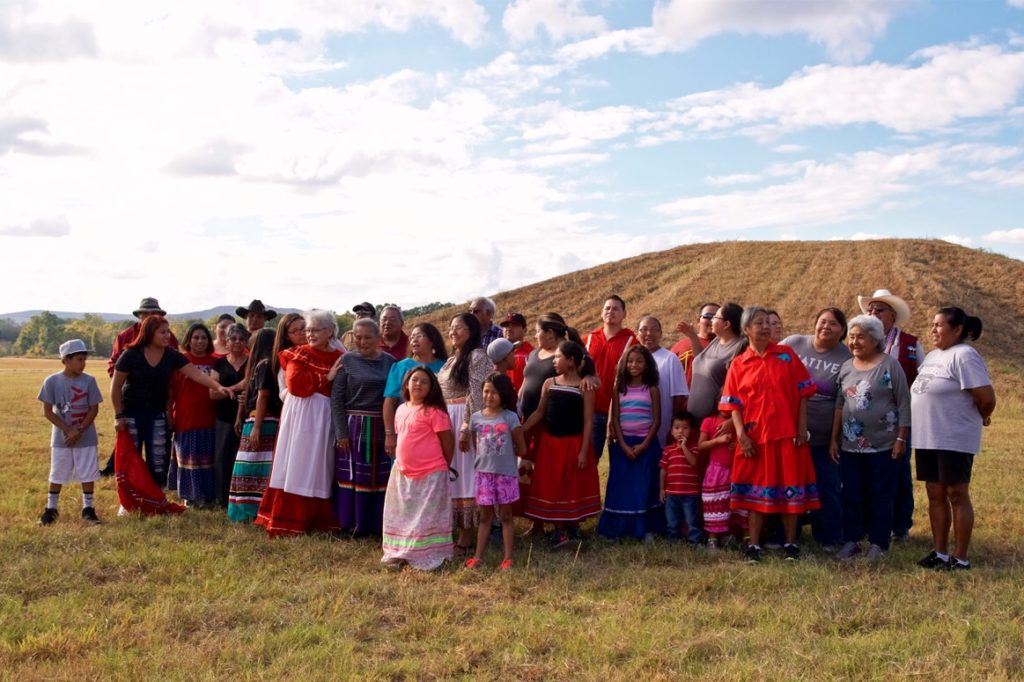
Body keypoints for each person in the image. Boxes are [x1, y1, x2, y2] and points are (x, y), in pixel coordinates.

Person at [720, 306, 819, 563]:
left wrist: (801, 427)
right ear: (746, 330)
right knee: (756, 493)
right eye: (758, 323)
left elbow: (803, 394)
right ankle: (753, 545)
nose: (765, 327)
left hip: (787, 435)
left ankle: (790, 543)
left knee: (790, 490)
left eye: (767, 322)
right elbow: (733, 405)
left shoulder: (786, 356)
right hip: (755, 439)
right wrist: (741, 435)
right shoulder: (739, 364)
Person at [911, 307, 995, 571]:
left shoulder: (965, 356)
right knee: (934, 494)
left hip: (953, 438)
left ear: (957, 329)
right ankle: (940, 553)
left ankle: (960, 558)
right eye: (932, 324)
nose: (933, 329)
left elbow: (986, 397)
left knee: (956, 494)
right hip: (927, 437)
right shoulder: (934, 356)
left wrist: (983, 416)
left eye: (939, 325)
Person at [111, 316, 232, 489]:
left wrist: (219, 387)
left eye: (168, 331)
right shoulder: (130, 355)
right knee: (131, 456)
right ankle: (129, 498)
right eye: (163, 332)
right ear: (150, 333)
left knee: (158, 459)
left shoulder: (172, 356)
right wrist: (118, 415)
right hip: (131, 413)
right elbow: (115, 387)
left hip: (157, 413)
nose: (168, 335)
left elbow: (197, 375)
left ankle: (155, 497)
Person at [255, 310, 343, 536]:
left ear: (330, 331)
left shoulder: (340, 355)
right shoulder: (297, 354)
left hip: (324, 414)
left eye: (315, 329)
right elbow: (297, 386)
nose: (310, 334)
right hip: (301, 415)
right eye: (308, 330)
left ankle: (317, 518)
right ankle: (289, 518)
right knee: (297, 461)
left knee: (319, 463)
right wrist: (327, 378)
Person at [831, 315, 911, 562]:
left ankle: (879, 544)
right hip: (850, 445)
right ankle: (852, 541)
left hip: (883, 445)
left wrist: (901, 439)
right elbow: (840, 404)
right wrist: (834, 439)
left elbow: (904, 403)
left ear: (875, 340)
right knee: (851, 494)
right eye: (852, 337)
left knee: (881, 495)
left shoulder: (890, 365)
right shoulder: (846, 367)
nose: (854, 342)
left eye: (860, 337)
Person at [781, 308, 852, 550]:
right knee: (790, 485)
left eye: (833, 324)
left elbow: (842, 401)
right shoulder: (793, 344)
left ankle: (829, 537)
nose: (826, 327)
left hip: (823, 438)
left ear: (842, 330)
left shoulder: (846, 357)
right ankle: (788, 535)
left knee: (827, 486)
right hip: (790, 434)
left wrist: (835, 438)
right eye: (822, 321)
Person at [522, 340, 602, 548]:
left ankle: (572, 527)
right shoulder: (550, 383)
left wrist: (584, 451)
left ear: (571, 361)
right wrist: (522, 430)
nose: (554, 361)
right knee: (553, 484)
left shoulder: (585, 386)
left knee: (571, 484)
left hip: (574, 443)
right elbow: (539, 412)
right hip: (551, 444)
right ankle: (559, 529)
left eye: (558, 357)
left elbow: (588, 421)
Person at [858, 288, 924, 541]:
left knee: (898, 471)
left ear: (892, 316)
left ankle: (900, 524)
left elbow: (923, 378)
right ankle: (866, 523)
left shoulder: (910, 344)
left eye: (879, 310)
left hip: (899, 422)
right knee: (864, 472)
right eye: (870, 309)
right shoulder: (858, 341)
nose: (873, 313)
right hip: (864, 421)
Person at [381, 367, 455, 571]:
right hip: (403, 473)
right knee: (403, 515)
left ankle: (427, 555)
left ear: (431, 388)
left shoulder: (435, 412)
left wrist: (441, 467)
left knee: (425, 518)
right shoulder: (401, 409)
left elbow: (448, 443)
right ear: (406, 384)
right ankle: (399, 552)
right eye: (415, 380)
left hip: (431, 474)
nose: (418, 384)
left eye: (424, 382)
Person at [331, 318, 395, 535]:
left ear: (378, 339)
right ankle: (352, 524)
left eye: (368, 337)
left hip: (382, 425)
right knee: (353, 475)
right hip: (354, 426)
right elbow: (337, 398)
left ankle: (377, 524)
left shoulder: (390, 362)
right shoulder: (346, 361)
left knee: (379, 477)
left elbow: (395, 396)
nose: (362, 342)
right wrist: (341, 432)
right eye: (358, 337)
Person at [101, 297, 178, 476]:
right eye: (147, 314)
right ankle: (123, 475)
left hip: (159, 399)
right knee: (129, 440)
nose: (151, 316)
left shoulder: (169, 336)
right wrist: (127, 377)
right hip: (131, 399)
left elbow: (175, 366)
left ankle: (157, 481)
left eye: (155, 313)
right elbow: (113, 364)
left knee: (158, 444)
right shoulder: (125, 337)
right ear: (140, 316)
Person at [438, 313, 493, 552]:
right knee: (451, 475)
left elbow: (478, 394)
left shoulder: (477, 356)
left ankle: (467, 534)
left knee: (464, 476)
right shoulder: (453, 359)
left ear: (470, 331)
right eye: (450, 328)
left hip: (463, 419)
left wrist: (466, 426)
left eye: (457, 328)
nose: (452, 332)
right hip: (446, 419)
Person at [598, 344, 664, 541]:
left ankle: (645, 529)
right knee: (620, 486)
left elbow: (657, 420)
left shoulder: (651, 389)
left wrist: (643, 445)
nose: (634, 365)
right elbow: (616, 419)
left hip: (646, 445)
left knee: (644, 486)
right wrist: (624, 445)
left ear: (647, 364)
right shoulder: (619, 388)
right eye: (631, 361)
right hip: (623, 445)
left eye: (639, 361)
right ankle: (615, 529)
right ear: (625, 364)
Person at [37, 339, 103, 526]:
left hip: (86, 437)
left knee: (88, 473)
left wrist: (79, 430)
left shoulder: (89, 381)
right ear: (66, 360)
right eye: (79, 359)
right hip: (61, 439)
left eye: (84, 359)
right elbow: (48, 411)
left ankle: (88, 509)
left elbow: (93, 409)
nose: (83, 363)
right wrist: (68, 430)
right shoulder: (52, 381)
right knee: (57, 472)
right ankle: (51, 509)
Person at [466, 373, 526, 570]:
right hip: (483, 474)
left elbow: (522, 447)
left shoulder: (510, 418)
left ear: (503, 394)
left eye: (494, 392)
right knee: (485, 517)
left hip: (505, 474)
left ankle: (508, 558)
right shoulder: (475, 418)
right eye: (486, 391)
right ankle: (478, 557)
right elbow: (476, 444)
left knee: (506, 516)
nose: (489, 396)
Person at [227, 328, 281, 522]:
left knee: (252, 466)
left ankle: (251, 509)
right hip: (258, 419)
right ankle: (251, 508)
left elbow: (263, 396)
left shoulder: (265, 364)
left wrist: (257, 427)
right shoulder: (261, 365)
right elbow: (248, 397)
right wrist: (240, 416)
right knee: (252, 465)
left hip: (262, 421)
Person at [169, 323, 218, 507]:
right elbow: (170, 393)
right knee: (188, 458)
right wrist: (169, 415)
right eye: (196, 337)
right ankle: (190, 497)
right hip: (186, 417)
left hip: (209, 417)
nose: (200, 341)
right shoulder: (179, 361)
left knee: (207, 458)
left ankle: (206, 496)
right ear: (188, 340)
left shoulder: (215, 362)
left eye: (204, 337)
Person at [382, 323, 448, 458]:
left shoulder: (446, 366)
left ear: (432, 340)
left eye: (419, 336)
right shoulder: (401, 367)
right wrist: (389, 434)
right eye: (412, 337)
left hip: (439, 429)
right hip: (409, 430)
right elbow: (389, 402)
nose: (414, 340)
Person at [585, 295, 638, 460]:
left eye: (616, 308)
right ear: (601, 313)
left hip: (619, 414)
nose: (611, 311)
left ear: (624, 314)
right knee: (588, 461)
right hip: (589, 411)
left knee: (620, 464)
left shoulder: (632, 341)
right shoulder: (588, 339)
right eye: (607, 308)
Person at [683, 303, 743, 423]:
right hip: (693, 421)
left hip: (715, 423)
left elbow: (739, 384)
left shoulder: (740, 346)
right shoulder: (716, 340)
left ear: (726, 324)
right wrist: (693, 337)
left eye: (715, 317)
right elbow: (700, 359)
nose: (711, 320)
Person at [210, 324, 249, 508]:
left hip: (246, 417)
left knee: (241, 458)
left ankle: (241, 497)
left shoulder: (251, 362)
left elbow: (252, 387)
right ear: (226, 341)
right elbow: (213, 394)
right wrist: (236, 388)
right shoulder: (218, 363)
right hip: (224, 417)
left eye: (241, 339)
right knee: (222, 457)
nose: (237, 342)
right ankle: (221, 498)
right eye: (233, 338)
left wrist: (240, 389)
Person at [636, 316, 689, 447]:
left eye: (654, 330)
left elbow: (678, 396)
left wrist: (673, 428)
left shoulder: (670, 359)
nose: (649, 333)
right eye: (644, 329)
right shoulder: (630, 359)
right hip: (634, 428)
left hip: (662, 429)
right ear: (637, 333)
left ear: (660, 334)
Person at [698, 410, 743, 549]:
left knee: (736, 504)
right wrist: (718, 440)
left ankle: (732, 536)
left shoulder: (740, 420)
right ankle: (713, 539)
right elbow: (701, 445)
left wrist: (738, 445)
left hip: (737, 469)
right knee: (715, 503)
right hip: (716, 470)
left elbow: (748, 437)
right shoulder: (709, 421)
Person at [660, 412, 703, 545]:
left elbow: (693, 462)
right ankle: (674, 541)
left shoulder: (694, 448)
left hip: (690, 493)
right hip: (671, 493)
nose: (681, 431)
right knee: (672, 520)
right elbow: (663, 470)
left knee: (691, 520)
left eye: (685, 428)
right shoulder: (668, 450)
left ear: (692, 431)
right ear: (671, 431)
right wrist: (661, 489)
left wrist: (684, 446)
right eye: (677, 427)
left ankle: (694, 541)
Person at [671, 302, 718, 386]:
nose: (712, 320)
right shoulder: (681, 345)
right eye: (708, 316)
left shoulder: (727, 347)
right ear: (698, 320)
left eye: (716, 318)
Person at [272, 313, 306, 399]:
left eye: (304, 327)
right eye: (295, 331)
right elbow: (282, 394)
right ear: (287, 336)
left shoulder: (324, 348)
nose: (303, 332)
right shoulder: (287, 357)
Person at [500, 312, 534, 391]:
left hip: (522, 401)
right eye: (506, 326)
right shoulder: (497, 352)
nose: (509, 328)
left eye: (514, 325)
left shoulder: (532, 353)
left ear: (525, 330)